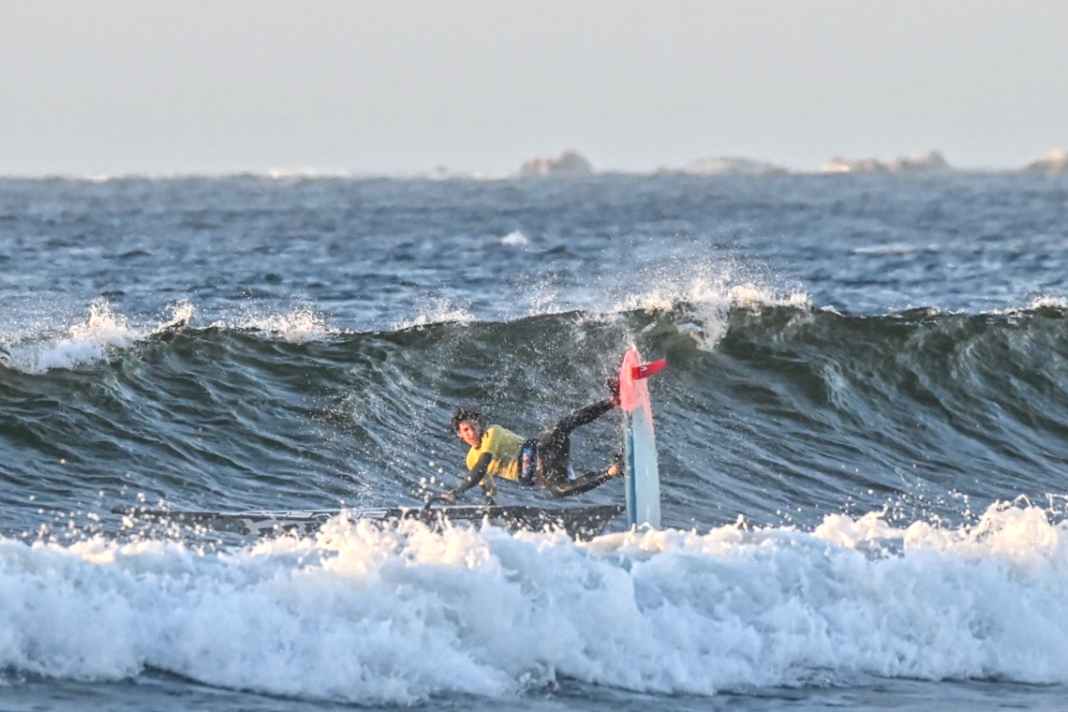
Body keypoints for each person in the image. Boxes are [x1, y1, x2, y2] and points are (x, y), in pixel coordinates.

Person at [437, 380, 623, 503]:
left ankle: (612, 401)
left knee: (561, 427)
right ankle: (612, 471)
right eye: (466, 430)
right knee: (559, 490)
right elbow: (487, 485)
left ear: (480, 425)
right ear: (460, 435)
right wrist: (490, 506)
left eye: (474, 426)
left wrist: (456, 492)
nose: (472, 432)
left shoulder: (491, 434)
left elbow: (482, 467)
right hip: (546, 472)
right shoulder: (471, 459)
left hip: (543, 450)